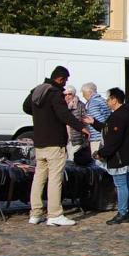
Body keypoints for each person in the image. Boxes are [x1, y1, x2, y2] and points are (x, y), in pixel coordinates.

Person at [23, 66, 92, 226]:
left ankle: (35, 213)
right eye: (65, 80)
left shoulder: (37, 90)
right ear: (60, 79)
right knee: (55, 178)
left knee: (39, 178)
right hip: (54, 142)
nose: (65, 84)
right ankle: (54, 214)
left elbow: (26, 107)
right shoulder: (54, 93)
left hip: (39, 141)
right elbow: (64, 114)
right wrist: (81, 127)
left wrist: (41, 115)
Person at [95, 87, 129, 225]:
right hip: (128, 155)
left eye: (108, 99)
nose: (107, 102)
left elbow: (114, 139)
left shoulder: (118, 116)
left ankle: (123, 212)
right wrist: (94, 123)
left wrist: (101, 153)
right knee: (128, 183)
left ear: (114, 99)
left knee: (121, 185)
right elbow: (108, 129)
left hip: (120, 157)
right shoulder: (125, 113)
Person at [80, 82, 111, 154]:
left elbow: (97, 120)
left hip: (97, 138)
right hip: (104, 135)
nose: (83, 95)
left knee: (97, 162)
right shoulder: (102, 100)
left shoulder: (94, 103)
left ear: (90, 92)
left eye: (84, 93)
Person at [64, 85, 87, 162]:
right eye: (65, 94)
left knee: (72, 158)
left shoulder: (80, 106)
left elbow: (85, 121)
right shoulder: (62, 106)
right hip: (65, 139)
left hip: (77, 138)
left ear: (73, 94)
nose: (67, 96)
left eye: (69, 94)